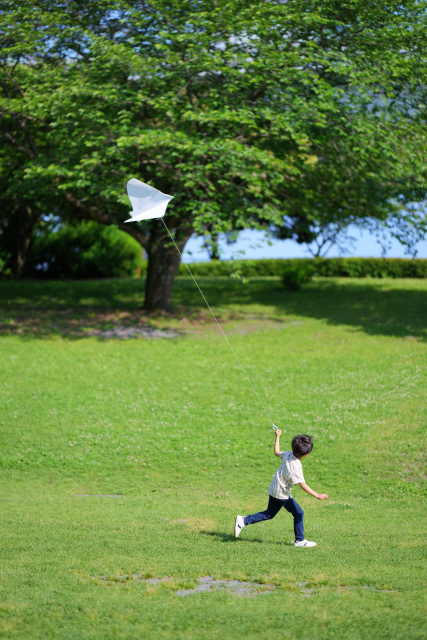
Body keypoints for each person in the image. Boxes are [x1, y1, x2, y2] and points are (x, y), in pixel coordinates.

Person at [234, 431, 328, 547]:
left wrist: (277, 437)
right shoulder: (296, 466)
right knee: (298, 513)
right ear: (306, 455)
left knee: (269, 514)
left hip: (274, 488)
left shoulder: (289, 454)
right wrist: (317, 495)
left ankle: (243, 521)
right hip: (281, 493)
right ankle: (299, 540)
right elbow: (302, 484)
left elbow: (277, 452)